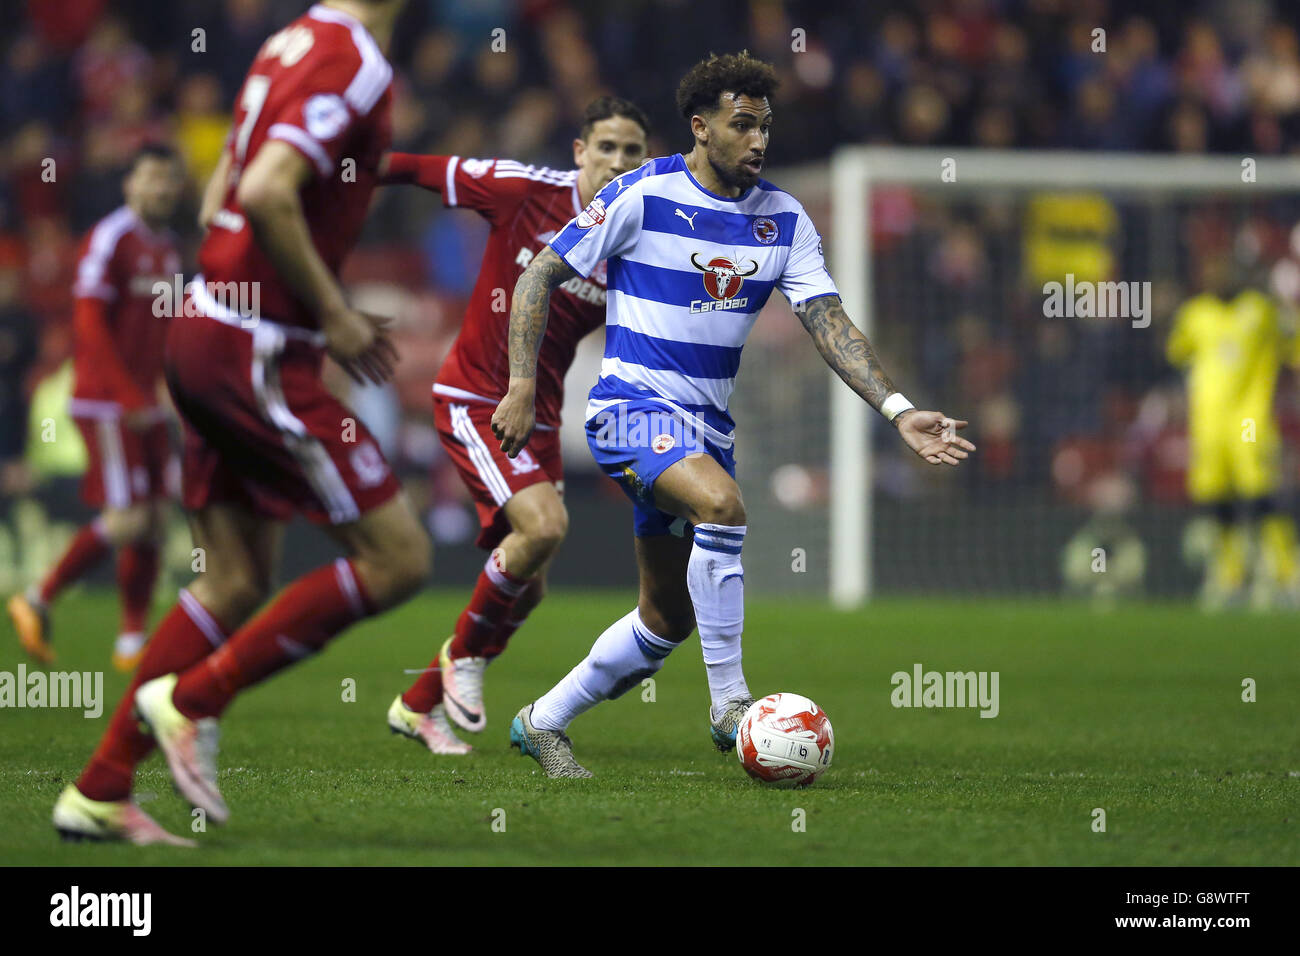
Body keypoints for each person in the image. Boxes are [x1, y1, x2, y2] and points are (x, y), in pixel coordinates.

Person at [491, 52, 976, 777]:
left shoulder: (782, 219)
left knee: (666, 619)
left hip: (708, 432)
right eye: (742, 125)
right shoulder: (640, 193)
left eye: (765, 127)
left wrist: (898, 409)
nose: (758, 141)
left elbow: (828, 321)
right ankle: (731, 704)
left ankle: (543, 721)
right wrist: (523, 382)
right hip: (629, 409)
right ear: (700, 127)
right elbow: (540, 273)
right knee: (723, 507)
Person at [52, 0, 423, 846]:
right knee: (398, 557)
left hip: (211, 322)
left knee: (233, 580)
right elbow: (261, 191)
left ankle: (102, 785)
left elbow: (226, 180)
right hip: (257, 348)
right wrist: (330, 312)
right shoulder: (357, 58)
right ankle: (192, 701)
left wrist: (232, 280)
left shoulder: (289, 39)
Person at [378, 96, 650, 753]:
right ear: (580, 151)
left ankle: (418, 705)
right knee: (546, 526)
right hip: (476, 395)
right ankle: (463, 664)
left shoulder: (637, 236)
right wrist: (327, 167)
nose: (618, 162)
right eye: (606, 147)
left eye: (632, 151)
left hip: (541, 415)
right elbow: (416, 168)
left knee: (528, 590)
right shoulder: (527, 191)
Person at [8, 144, 184, 672]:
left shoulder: (170, 248)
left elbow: (168, 328)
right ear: (128, 184)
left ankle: (132, 640)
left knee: (153, 516)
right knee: (128, 517)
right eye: (149, 178)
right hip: (106, 400)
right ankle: (39, 596)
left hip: (146, 401)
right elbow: (89, 322)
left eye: (167, 179)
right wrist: (127, 392)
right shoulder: (110, 238)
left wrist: (168, 388)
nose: (160, 188)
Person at [1166, 253, 1300, 609]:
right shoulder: (1195, 314)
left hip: (1248, 421)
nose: (1215, 274)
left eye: (1221, 267)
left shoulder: (1259, 309)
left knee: (1261, 493)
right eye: (1208, 269)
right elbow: (1176, 352)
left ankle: (1287, 573)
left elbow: (1292, 347)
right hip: (1208, 423)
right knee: (1215, 499)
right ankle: (1230, 577)